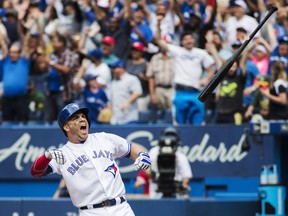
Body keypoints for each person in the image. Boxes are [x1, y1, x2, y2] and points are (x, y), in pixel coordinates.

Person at [31, 103, 151, 215]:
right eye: (75, 118)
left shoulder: (104, 138)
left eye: (83, 116)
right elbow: (35, 172)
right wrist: (47, 156)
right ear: (66, 127)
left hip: (121, 208)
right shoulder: (63, 154)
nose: (82, 119)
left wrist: (142, 155)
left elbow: (131, 149)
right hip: (91, 212)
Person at [148, 127, 192, 199]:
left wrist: (183, 185)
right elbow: (146, 168)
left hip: (176, 195)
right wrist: (152, 175)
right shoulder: (153, 152)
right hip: (156, 195)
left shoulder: (181, 156)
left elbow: (186, 176)